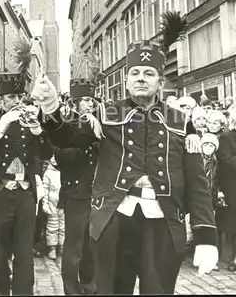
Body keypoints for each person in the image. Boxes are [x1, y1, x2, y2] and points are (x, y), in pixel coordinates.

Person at [33, 40, 218, 294]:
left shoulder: (182, 122)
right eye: (135, 73)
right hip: (115, 220)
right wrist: (50, 107)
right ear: (127, 81)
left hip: (162, 223)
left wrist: (206, 237)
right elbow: (68, 137)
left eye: (149, 73)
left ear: (160, 83)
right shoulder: (106, 115)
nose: (141, 79)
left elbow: (198, 185)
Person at [0, 52, 53, 296]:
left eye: (18, 96)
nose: (14, 101)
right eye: (9, 97)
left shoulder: (31, 122)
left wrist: (38, 130)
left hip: (25, 195)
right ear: (2, 99)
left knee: (24, 255)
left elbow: (47, 153)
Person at [52, 79, 98, 295]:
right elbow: (60, 155)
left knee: (92, 245)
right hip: (76, 192)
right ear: (75, 102)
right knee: (74, 247)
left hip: (96, 192)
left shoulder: (99, 121)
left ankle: (90, 287)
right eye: (86, 100)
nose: (90, 105)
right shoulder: (66, 124)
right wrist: (89, 137)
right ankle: (72, 290)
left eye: (92, 100)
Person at [216, 107, 236, 272]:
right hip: (233, 185)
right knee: (234, 220)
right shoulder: (226, 138)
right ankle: (235, 255)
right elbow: (227, 159)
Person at [42, 156, 64, 260]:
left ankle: (62, 245)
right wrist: (45, 203)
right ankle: (52, 247)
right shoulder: (48, 173)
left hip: (64, 203)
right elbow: (45, 189)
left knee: (63, 225)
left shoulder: (66, 171)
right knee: (52, 226)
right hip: (52, 203)